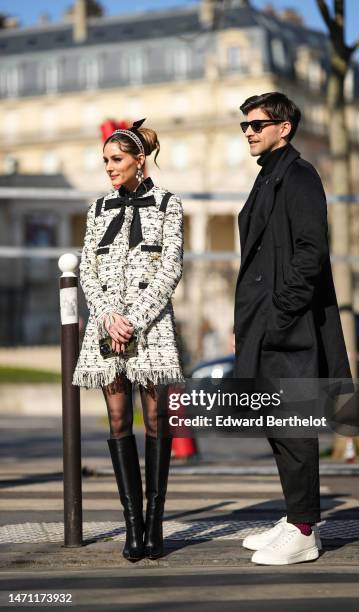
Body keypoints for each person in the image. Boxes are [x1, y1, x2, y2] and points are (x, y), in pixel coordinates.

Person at [233, 92, 351, 565]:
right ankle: (293, 515)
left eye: (258, 124)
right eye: (244, 126)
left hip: (290, 323)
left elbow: (310, 252)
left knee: (294, 424)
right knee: (275, 423)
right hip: (265, 320)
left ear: (285, 127)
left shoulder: (299, 176)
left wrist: (281, 312)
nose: (249, 132)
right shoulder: (269, 177)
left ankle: (304, 530)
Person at [73, 119, 184, 561]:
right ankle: (132, 527)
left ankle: (155, 525)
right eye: (104, 161)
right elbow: (87, 270)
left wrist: (133, 320)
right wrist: (106, 317)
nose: (109, 168)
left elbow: (171, 268)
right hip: (106, 331)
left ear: (140, 160)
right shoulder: (97, 208)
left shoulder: (168, 205)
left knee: (156, 423)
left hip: (150, 329)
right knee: (119, 423)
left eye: (116, 159)